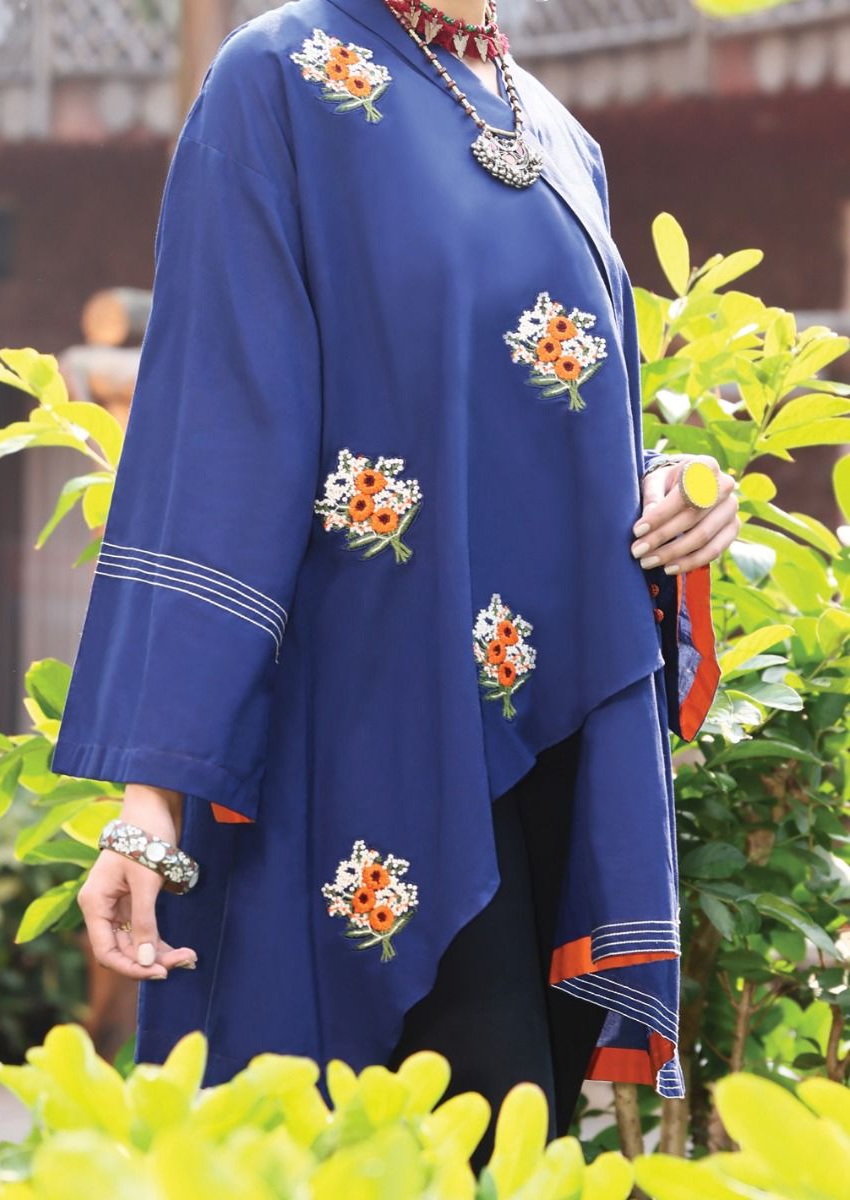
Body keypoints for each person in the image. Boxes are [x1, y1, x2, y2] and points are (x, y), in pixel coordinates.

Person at [50, 0, 739, 1170]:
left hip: (546, 742)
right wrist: (151, 799)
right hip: (362, 746)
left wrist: (669, 487)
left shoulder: (560, 136)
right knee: (389, 1145)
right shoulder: (277, 80)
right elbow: (221, 426)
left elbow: (530, 427)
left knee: (521, 1153)